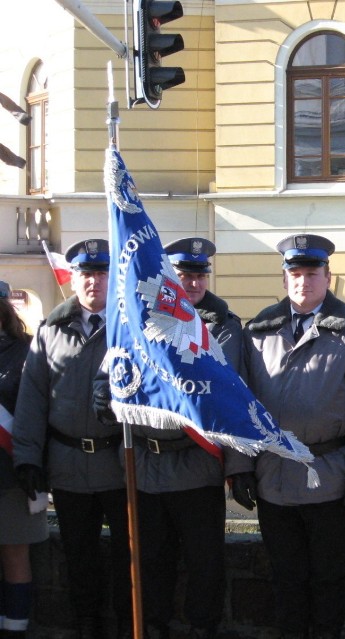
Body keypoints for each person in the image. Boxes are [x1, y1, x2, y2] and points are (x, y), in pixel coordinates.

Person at [232, 233, 345, 639]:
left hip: (331, 479)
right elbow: (239, 404)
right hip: (273, 478)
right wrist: (239, 468)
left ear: (328, 277)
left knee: (327, 578)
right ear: (284, 279)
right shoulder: (258, 332)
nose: (303, 281)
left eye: (312, 273)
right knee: (286, 579)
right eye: (295, 273)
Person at [92, 237, 243, 639]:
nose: (192, 283)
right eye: (184, 275)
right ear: (169, 277)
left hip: (195, 463)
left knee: (203, 561)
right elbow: (119, 361)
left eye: (199, 275)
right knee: (149, 559)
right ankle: (152, 626)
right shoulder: (139, 317)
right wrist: (105, 387)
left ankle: (202, 627)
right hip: (145, 463)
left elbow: (218, 388)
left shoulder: (222, 326)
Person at [13, 239, 132, 639]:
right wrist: (27, 459)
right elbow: (32, 400)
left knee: (128, 555)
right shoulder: (51, 330)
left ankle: (126, 622)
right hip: (67, 464)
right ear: (74, 278)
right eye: (85, 274)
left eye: (101, 273)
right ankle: (87, 623)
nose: (93, 282)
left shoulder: (130, 327)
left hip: (119, 462)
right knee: (79, 555)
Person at [0, 280, 48, 639]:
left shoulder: (27, 351)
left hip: (12, 475)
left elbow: (38, 412)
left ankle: (14, 630)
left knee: (15, 556)